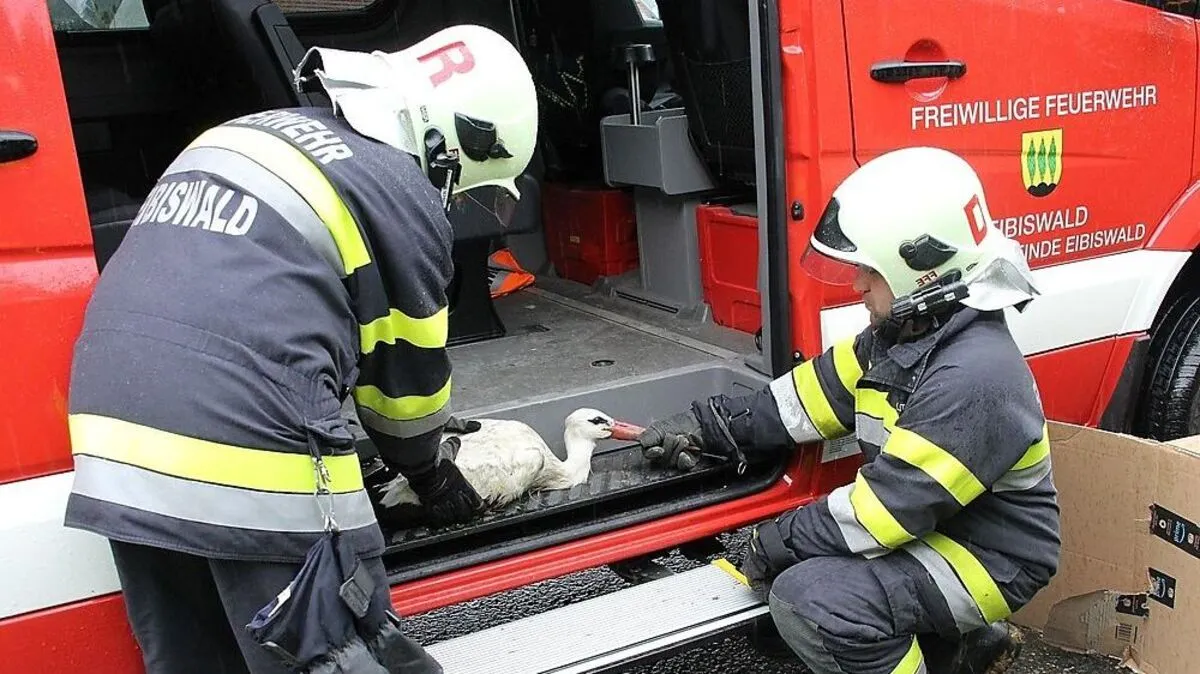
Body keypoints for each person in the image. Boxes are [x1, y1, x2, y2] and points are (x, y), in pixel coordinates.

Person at [61, 24, 537, 674]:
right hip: (241, 438)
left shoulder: (253, 132)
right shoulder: (402, 193)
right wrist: (427, 472)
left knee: (196, 658)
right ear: (454, 145)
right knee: (340, 653)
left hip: (108, 434)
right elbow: (407, 395)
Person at [636, 147, 1059, 674]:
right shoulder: (904, 338)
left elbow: (880, 514)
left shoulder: (973, 379)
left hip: (988, 559)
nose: (858, 285)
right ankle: (957, 648)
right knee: (796, 585)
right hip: (939, 529)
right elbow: (802, 401)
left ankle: (948, 640)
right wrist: (706, 426)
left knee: (813, 602)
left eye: (870, 272)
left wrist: (776, 541)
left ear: (922, 274)